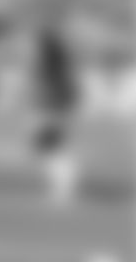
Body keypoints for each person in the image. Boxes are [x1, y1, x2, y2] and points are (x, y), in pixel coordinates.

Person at [29, 22, 85, 206]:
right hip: (56, 104)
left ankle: (64, 188)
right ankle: (63, 186)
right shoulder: (58, 67)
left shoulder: (51, 67)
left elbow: (49, 87)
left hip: (53, 105)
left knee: (50, 145)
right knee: (50, 145)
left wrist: (44, 104)